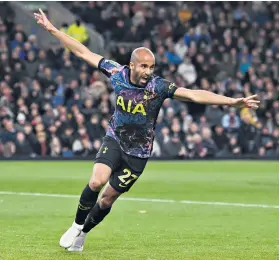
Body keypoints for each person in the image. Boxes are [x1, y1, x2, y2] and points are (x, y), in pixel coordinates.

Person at [34, 9, 260, 252]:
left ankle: (84, 233)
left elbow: (193, 95)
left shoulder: (159, 87)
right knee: (97, 180)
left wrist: (231, 102)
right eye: (143, 66)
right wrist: (53, 30)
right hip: (115, 139)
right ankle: (76, 225)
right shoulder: (115, 72)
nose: (148, 71)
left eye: (151, 67)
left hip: (138, 154)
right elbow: (82, 51)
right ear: (131, 65)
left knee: (108, 198)